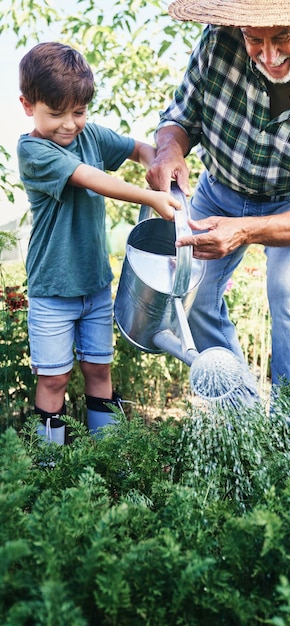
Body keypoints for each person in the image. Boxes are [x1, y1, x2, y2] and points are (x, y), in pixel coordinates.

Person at [146, 0, 290, 404]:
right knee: (195, 294)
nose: (269, 56)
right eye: (255, 39)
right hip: (219, 189)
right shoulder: (218, 43)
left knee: (288, 290)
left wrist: (246, 230)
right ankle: (244, 414)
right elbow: (180, 119)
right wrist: (169, 151)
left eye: (284, 37)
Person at [18, 42, 181, 442]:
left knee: (99, 370)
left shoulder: (90, 135)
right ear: (28, 106)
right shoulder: (33, 149)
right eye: (55, 114)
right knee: (54, 379)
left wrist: (160, 163)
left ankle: (104, 456)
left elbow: (138, 149)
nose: (70, 124)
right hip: (53, 288)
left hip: (95, 284)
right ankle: (50, 466)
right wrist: (150, 198)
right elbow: (92, 179)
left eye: (78, 111)